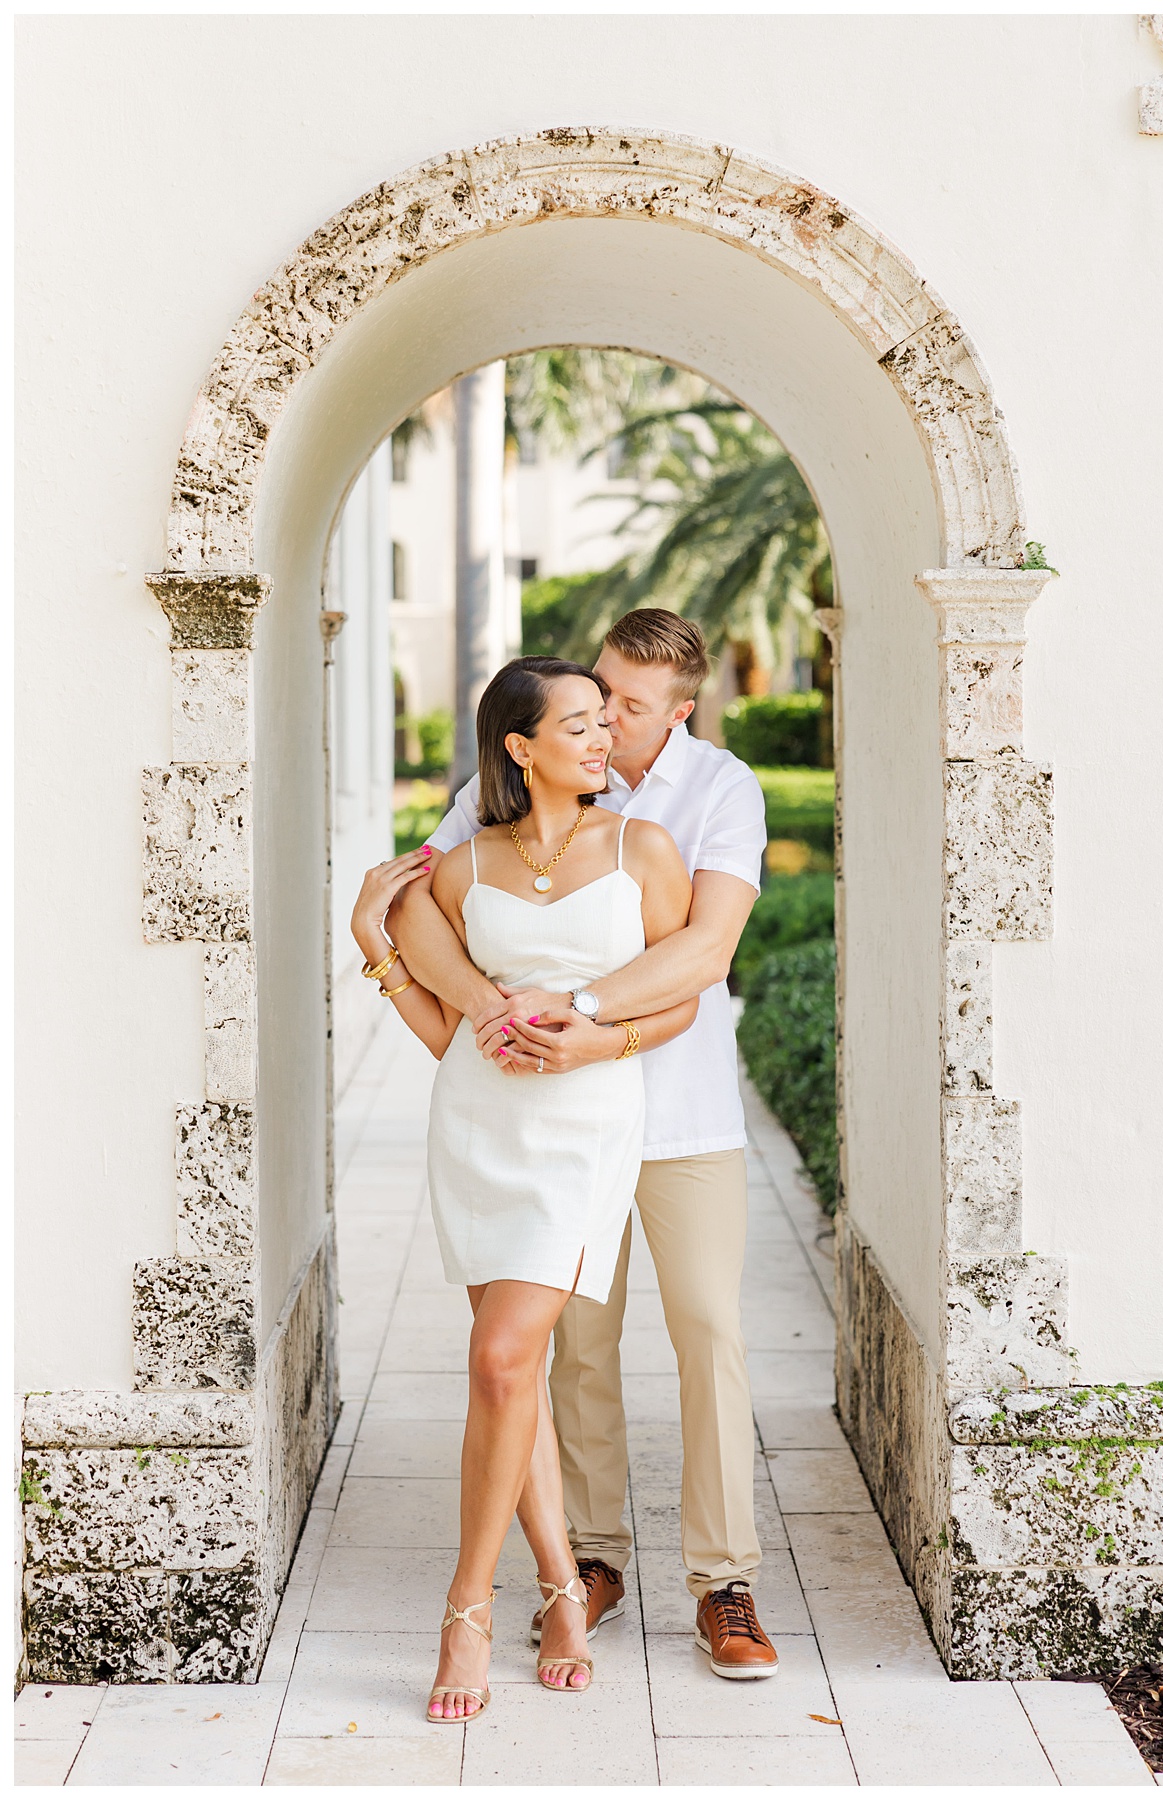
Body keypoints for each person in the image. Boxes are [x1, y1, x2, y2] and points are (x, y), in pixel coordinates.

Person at [391, 609, 780, 1680]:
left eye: (631, 706)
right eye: (599, 694)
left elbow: (705, 949)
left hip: (676, 1112)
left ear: (681, 711)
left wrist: (582, 1013)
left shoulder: (717, 793)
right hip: (534, 1120)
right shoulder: (515, 783)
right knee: (577, 1354)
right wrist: (486, 1009)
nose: (609, 716)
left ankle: (722, 1579)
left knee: (707, 1329)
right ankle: (591, 1564)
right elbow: (419, 888)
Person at [350, 656, 697, 1723]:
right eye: (582, 724)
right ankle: (559, 1592)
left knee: (500, 1358)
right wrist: (376, 945)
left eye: (606, 723)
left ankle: (465, 1610)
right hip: (475, 1131)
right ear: (521, 746)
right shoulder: (464, 865)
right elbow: (451, 1034)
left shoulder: (645, 850)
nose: (605, 741)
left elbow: (681, 1000)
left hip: (584, 1131)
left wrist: (598, 1042)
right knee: (518, 1378)